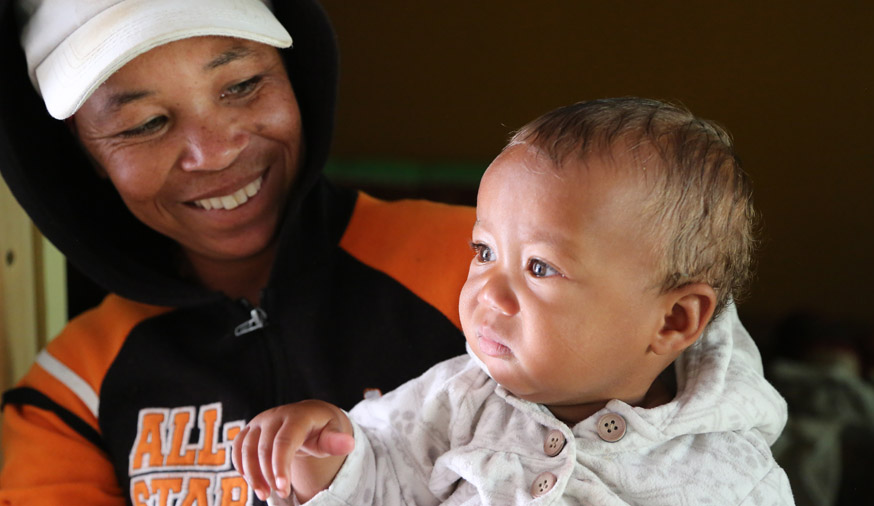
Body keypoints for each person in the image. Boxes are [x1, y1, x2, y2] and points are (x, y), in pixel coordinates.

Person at [0, 1, 476, 504]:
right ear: (82, 150)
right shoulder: (75, 391)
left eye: (243, 85)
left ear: (295, 70)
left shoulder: (489, 269)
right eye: (144, 124)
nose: (215, 151)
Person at [232, 98, 795, 505]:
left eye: (540, 267)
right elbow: (379, 478)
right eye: (483, 252)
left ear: (672, 320)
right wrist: (322, 455)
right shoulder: (455, 400)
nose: (488, 293)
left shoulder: (729, 479)